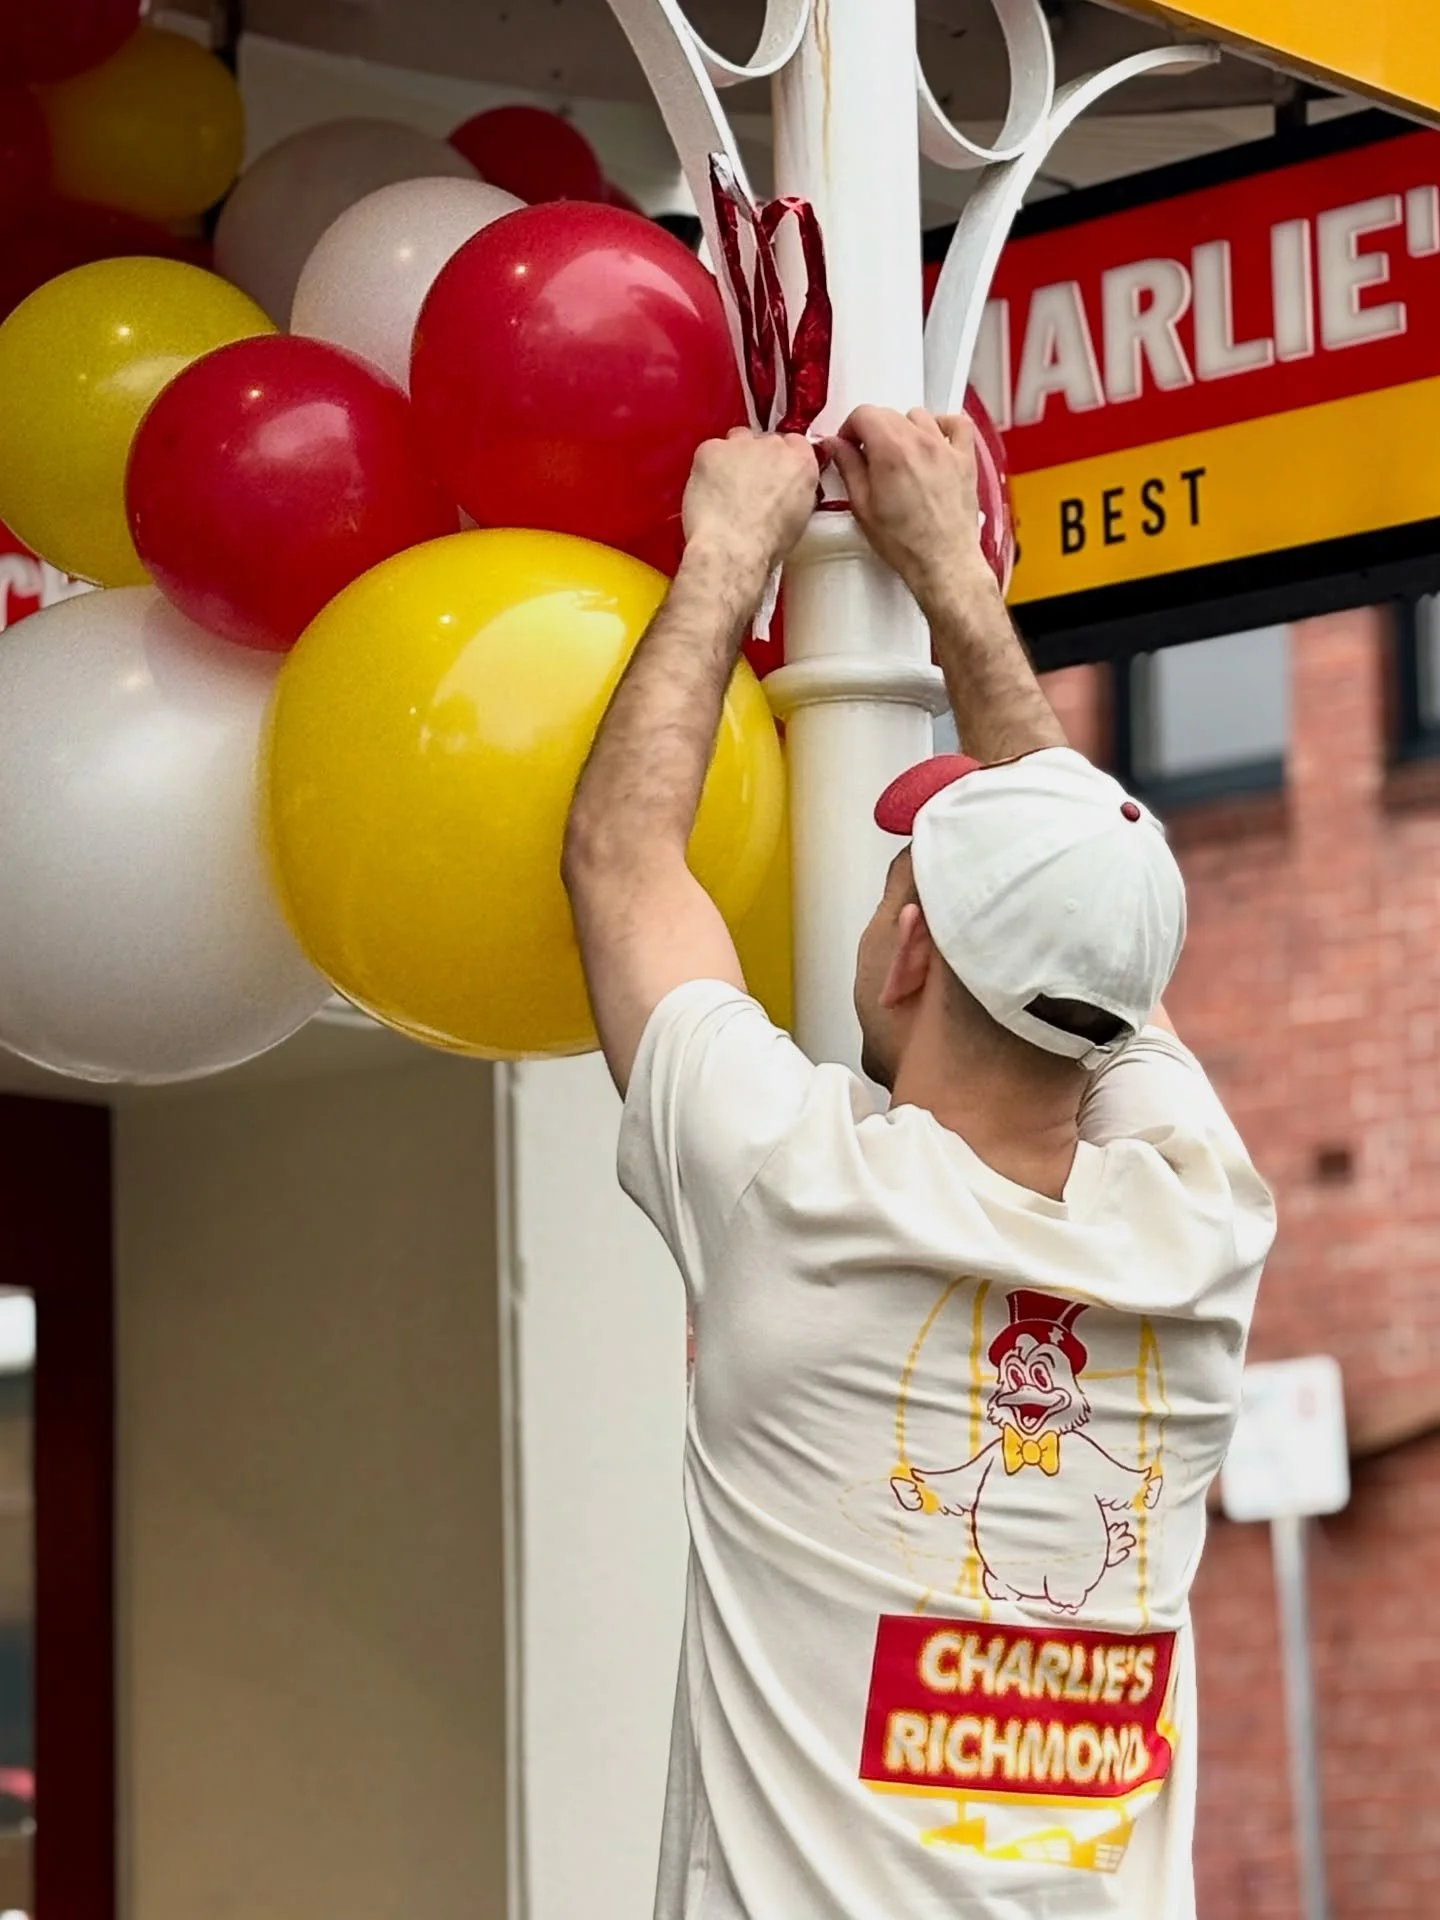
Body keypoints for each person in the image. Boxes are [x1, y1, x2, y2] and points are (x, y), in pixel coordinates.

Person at [562, 408, 1276, 1919]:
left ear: (902, 956)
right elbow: (1090, 929)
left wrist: (726, 555)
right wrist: (954, 581)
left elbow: (624, 861)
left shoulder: (800, 1194)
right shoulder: (1201, 1236)